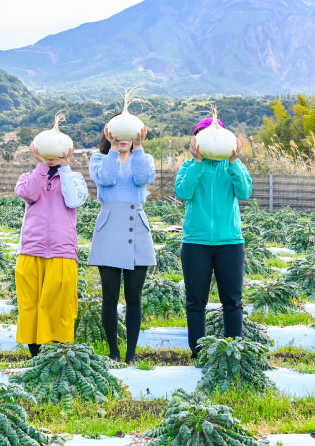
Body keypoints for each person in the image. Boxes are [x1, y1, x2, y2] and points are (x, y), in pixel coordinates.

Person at [175, 117, 253, 358]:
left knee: (232, 300)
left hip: (229, 242)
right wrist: (197, 162)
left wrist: (234, 161)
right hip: (195, 243)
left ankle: (233, 350)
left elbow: (244, 192)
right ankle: (198, 351)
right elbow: (183, 192)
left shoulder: (231, 167)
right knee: (196, 300)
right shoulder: (189, 166)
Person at [88, 124, 156, 363]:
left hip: (136, 227)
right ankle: (113, 351)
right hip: (109, 228)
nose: (124, 140)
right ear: (110, 135)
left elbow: (142, 178)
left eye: (129, 136)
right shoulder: (99, 159)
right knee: (110, 296)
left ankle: (131, 354)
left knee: (134, 296)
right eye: (119, 136)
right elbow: (106, 179)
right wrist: (114, 149)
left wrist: (138, 147)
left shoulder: (144, 158)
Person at [14, 143, 88, 357]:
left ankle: (57, 354)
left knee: (60, 305)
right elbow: (29, 194)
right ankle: (36, 357)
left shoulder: (75, 178)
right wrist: (41, 166)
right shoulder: (27, 177)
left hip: (62, 252)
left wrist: (65, 168)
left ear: (68, 152)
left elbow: (73, 200)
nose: (54, 156)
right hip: (30, 250)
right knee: (31, 305)